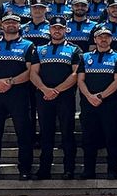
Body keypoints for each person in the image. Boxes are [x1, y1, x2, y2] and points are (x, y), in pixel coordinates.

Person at [0, 15, 36, 180]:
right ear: (1, 25)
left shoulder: (28, 45)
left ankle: (25, 169)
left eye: (14, 22)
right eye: (7, 22)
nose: (11, 24)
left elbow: (30, 71)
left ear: (19, 25)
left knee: (24, 133)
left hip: (19, 94)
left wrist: (10, 82)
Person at [29, 19, 81, 180]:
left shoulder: (74, 50)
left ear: (66, 30)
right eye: (54, 28)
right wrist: (45, 89)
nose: (57, 30)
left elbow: (75, 74)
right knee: (46, 133)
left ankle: (69, 169)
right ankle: (44, 169)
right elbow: (33, 73)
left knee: (67, 133)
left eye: (60, 28)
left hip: (64, 96)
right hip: (44, 96)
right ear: (49, 30)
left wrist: (57, 90)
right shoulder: (40, 50)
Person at [76, 26, 117, 180]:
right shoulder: (85, 57)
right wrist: (90, 97)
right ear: (95, 39)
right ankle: (88, 170)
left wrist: (101, 96)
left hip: (109, 104)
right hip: (88, 103)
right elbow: (80, 80)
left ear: (111, 39)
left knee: (111, 137)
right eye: (100, 37)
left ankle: (112, 170)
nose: (103, 40)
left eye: (107, 37)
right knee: (88, 138)